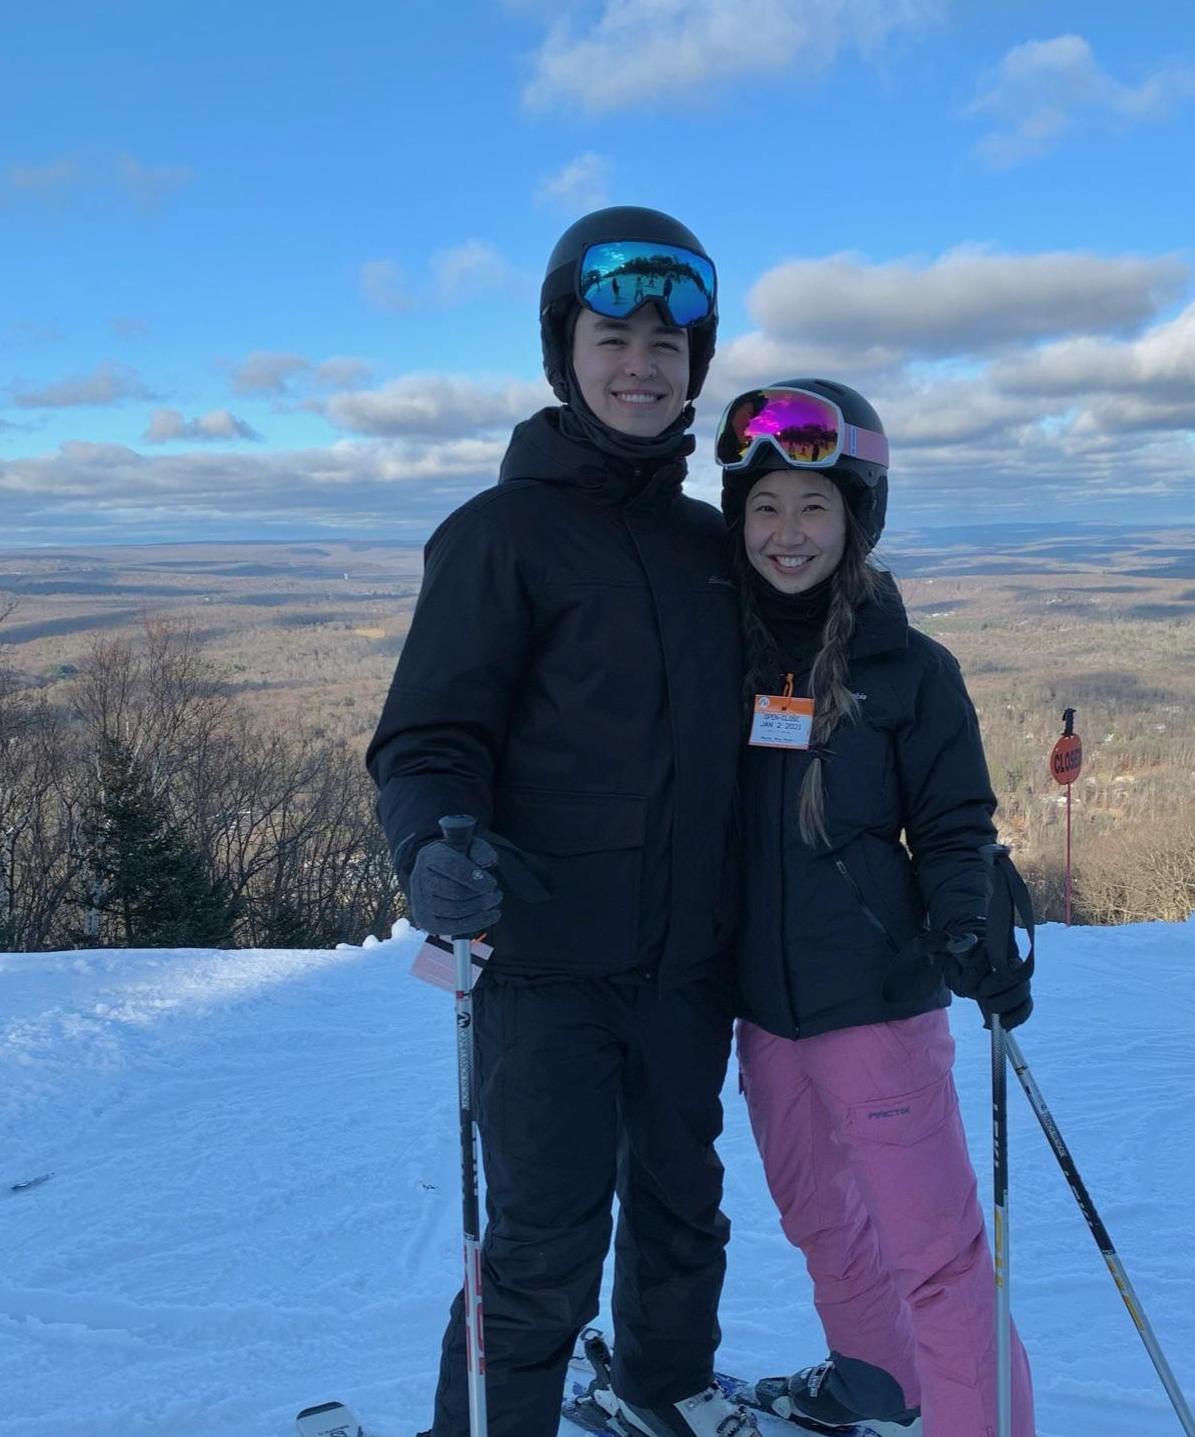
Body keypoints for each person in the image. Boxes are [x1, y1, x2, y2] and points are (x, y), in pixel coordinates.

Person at [366, 206, 759, 1437]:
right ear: (564, 353)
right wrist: (433, 845)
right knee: (543, 1244)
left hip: (687, 963)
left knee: (685, 1215)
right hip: (542, 968)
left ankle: (664, 1395)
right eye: (613, 338)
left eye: (667, 343)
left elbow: (808, 691)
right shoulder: (500, 538)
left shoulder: (712, 546)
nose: (642, 364)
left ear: (696, 363)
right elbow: (428, 740)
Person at [714, 379, 1038, 1437]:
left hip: (877, 1012)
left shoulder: (910, 670)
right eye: (765, 506)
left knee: (936, 1259)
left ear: (856, 517)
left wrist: (965, 921)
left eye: (813, 506)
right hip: (765, 1015)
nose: (787, 532)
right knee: (822, 1226)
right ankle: (879, 1380)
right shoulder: (720, 661)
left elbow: (955, 826)